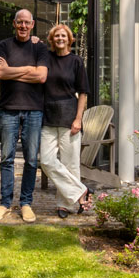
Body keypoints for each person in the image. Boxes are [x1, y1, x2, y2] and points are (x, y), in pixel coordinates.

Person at [0, 8, 47, 223]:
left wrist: (11, 71)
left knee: (31, 159)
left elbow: (41, 77)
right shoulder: (3, 46)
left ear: (32, 25)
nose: (23, 26)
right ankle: (4, 203)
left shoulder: (40, 47)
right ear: (14, 23)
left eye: (27, 23)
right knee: (7, 158)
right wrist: (28, 69)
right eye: (19, 22)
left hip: (34, 110)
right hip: (8, 110)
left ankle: (25, 203)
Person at [38, 23, 90, 218]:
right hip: (48, 117)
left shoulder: (76, 61)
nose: (60, 38)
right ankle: (81, 191)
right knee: (46, 161)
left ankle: (65, 204)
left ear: (70, 39)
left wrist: (79, 119)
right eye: (57, 36)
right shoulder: (46, 59)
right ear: (52, 39)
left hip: (70, 118)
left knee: (70, 164)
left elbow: (83, 93)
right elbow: (35, 47)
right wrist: (36, 40)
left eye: (64, 36)